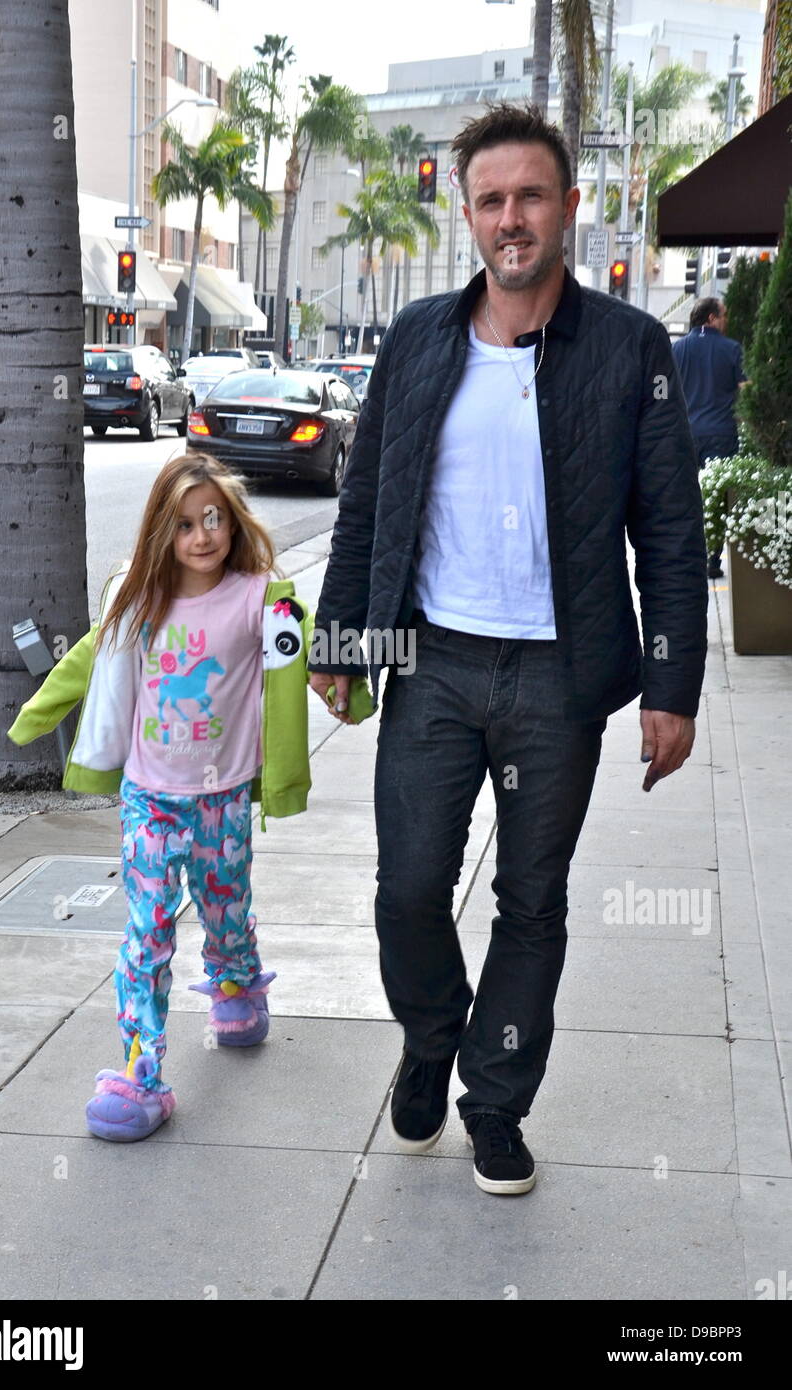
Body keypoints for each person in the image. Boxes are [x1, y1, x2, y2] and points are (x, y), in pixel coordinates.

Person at [307, 103, 708, 1197]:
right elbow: (368, 507)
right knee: (406, 889)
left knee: (532, 903)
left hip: (554, 678)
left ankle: (494, 1101)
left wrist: (670, 683)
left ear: (567, 208)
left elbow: (671, 530)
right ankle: (433, 1034)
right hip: (432, 665)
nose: (510, 217)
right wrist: (346, 644)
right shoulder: (418, 338)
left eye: (530, 195)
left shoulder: (629, 348)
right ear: (467, 214)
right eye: (490, 199)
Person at [8, 454, 363, 1141]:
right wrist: (39, 712)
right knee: (147, 933)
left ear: (232, 523)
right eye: (183, 525)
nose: (202, 536)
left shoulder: (262, 595)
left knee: (225, 908)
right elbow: (88, 657)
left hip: (222, 800)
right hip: (150, 799)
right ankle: (141, 1075)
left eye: (214, 520)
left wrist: (346, 690)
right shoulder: (138, 602)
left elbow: (308, 654)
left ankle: (236, 984)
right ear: (159, 533)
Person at [672, 297, 747, 578]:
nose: (726, 320)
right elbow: (745, 388)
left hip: (685, 434)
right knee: (716, 497)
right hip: (720, 433)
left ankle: (684, 556)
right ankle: (712, 561)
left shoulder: (676, 349)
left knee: (685, 496)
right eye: (723, 315)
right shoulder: (732, 349)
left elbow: (657, 386)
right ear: (711, 319)